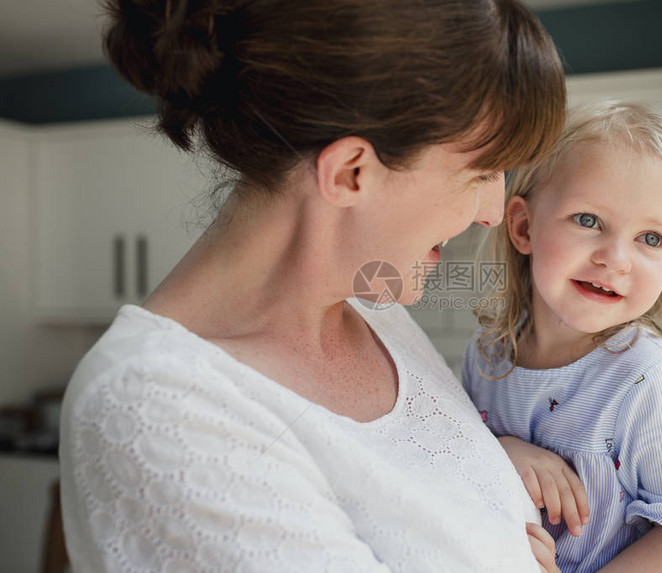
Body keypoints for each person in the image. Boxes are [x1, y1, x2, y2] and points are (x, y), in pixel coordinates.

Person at [58, 1, 571, 572]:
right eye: (480, 173)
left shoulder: (376, 313)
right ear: (351, 171)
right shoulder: (153, 402)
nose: (494, 212)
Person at [462, 101, 662, 573]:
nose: (616, 259)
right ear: (523, 226)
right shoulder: (488, 357)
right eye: (589, 220)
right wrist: (503, 450)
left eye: (651, 238)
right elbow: (458, 452)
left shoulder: (652, 387)